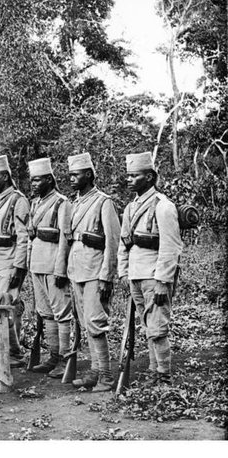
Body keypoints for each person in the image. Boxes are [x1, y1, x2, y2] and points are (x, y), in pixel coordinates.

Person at [118, 152, 183, 385]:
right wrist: (123, 273)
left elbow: (170, 247)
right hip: (136, 275)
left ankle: (163, 377)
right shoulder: (130, 207)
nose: (129, 180)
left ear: (150, 177)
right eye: (129, 175)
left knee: (157, 327)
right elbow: (124, 244)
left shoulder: (163, 206)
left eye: (134, 176)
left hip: (154, 276)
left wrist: (162, 281)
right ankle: (154, 372)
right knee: (147, 326)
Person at [66, 152, 120, 392]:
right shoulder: (75, 202)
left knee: (96, 323)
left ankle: (106, 376)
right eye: (69, 175)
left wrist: (107, 276)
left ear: (88, 174)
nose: (71, 179)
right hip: (77, 269)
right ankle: (95, 371)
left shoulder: (103, 201)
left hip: (95, 270)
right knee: (86, 324)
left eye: (75, 174)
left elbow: (113, 241)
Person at [26, 158, 73, 378]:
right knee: (46, 314)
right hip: (37, 264)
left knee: (62, 313)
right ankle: (53, 356)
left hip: (54, 264)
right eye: (31, 180)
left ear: (49, 179)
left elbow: (64, 238)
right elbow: (30, 235)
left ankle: (65, 359)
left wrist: (61, 269)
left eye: (37, 180)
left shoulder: (61, 203)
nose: (33, 184)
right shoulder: (35, 203)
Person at [0, 155, 30, 367]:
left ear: (5, 176)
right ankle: (9, 349)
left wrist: (18, 268)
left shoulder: (18, 200)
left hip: (10, 262)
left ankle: (13, 353)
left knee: (4, 306)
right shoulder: (0, 198)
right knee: (9, 304)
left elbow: (23, 237)